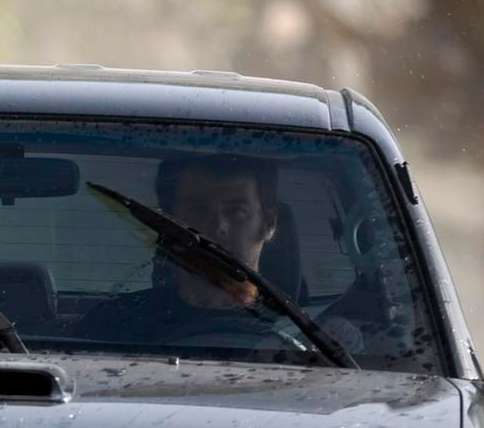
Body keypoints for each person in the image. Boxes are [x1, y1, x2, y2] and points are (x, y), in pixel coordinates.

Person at [74, 151, 315, 355]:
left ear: (269, 223)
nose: (218, 226)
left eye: (236, 211)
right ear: (167, 224)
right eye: (199, 209)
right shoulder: (113, 326)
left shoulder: (311, 336)